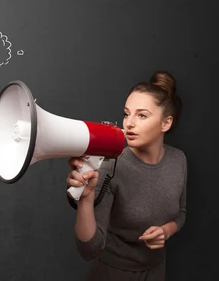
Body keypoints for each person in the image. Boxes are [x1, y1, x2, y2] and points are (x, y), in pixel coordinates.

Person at [66, 71, 187, 280]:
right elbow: (89, 249)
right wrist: (85, 199)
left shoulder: (179, 160)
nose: (129, 123)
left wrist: (166, 231)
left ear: (166, 123)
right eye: (126, 113)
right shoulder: (111, 165)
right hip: (113, 273)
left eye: (141, 115)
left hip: (156, 270)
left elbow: (181, 213)